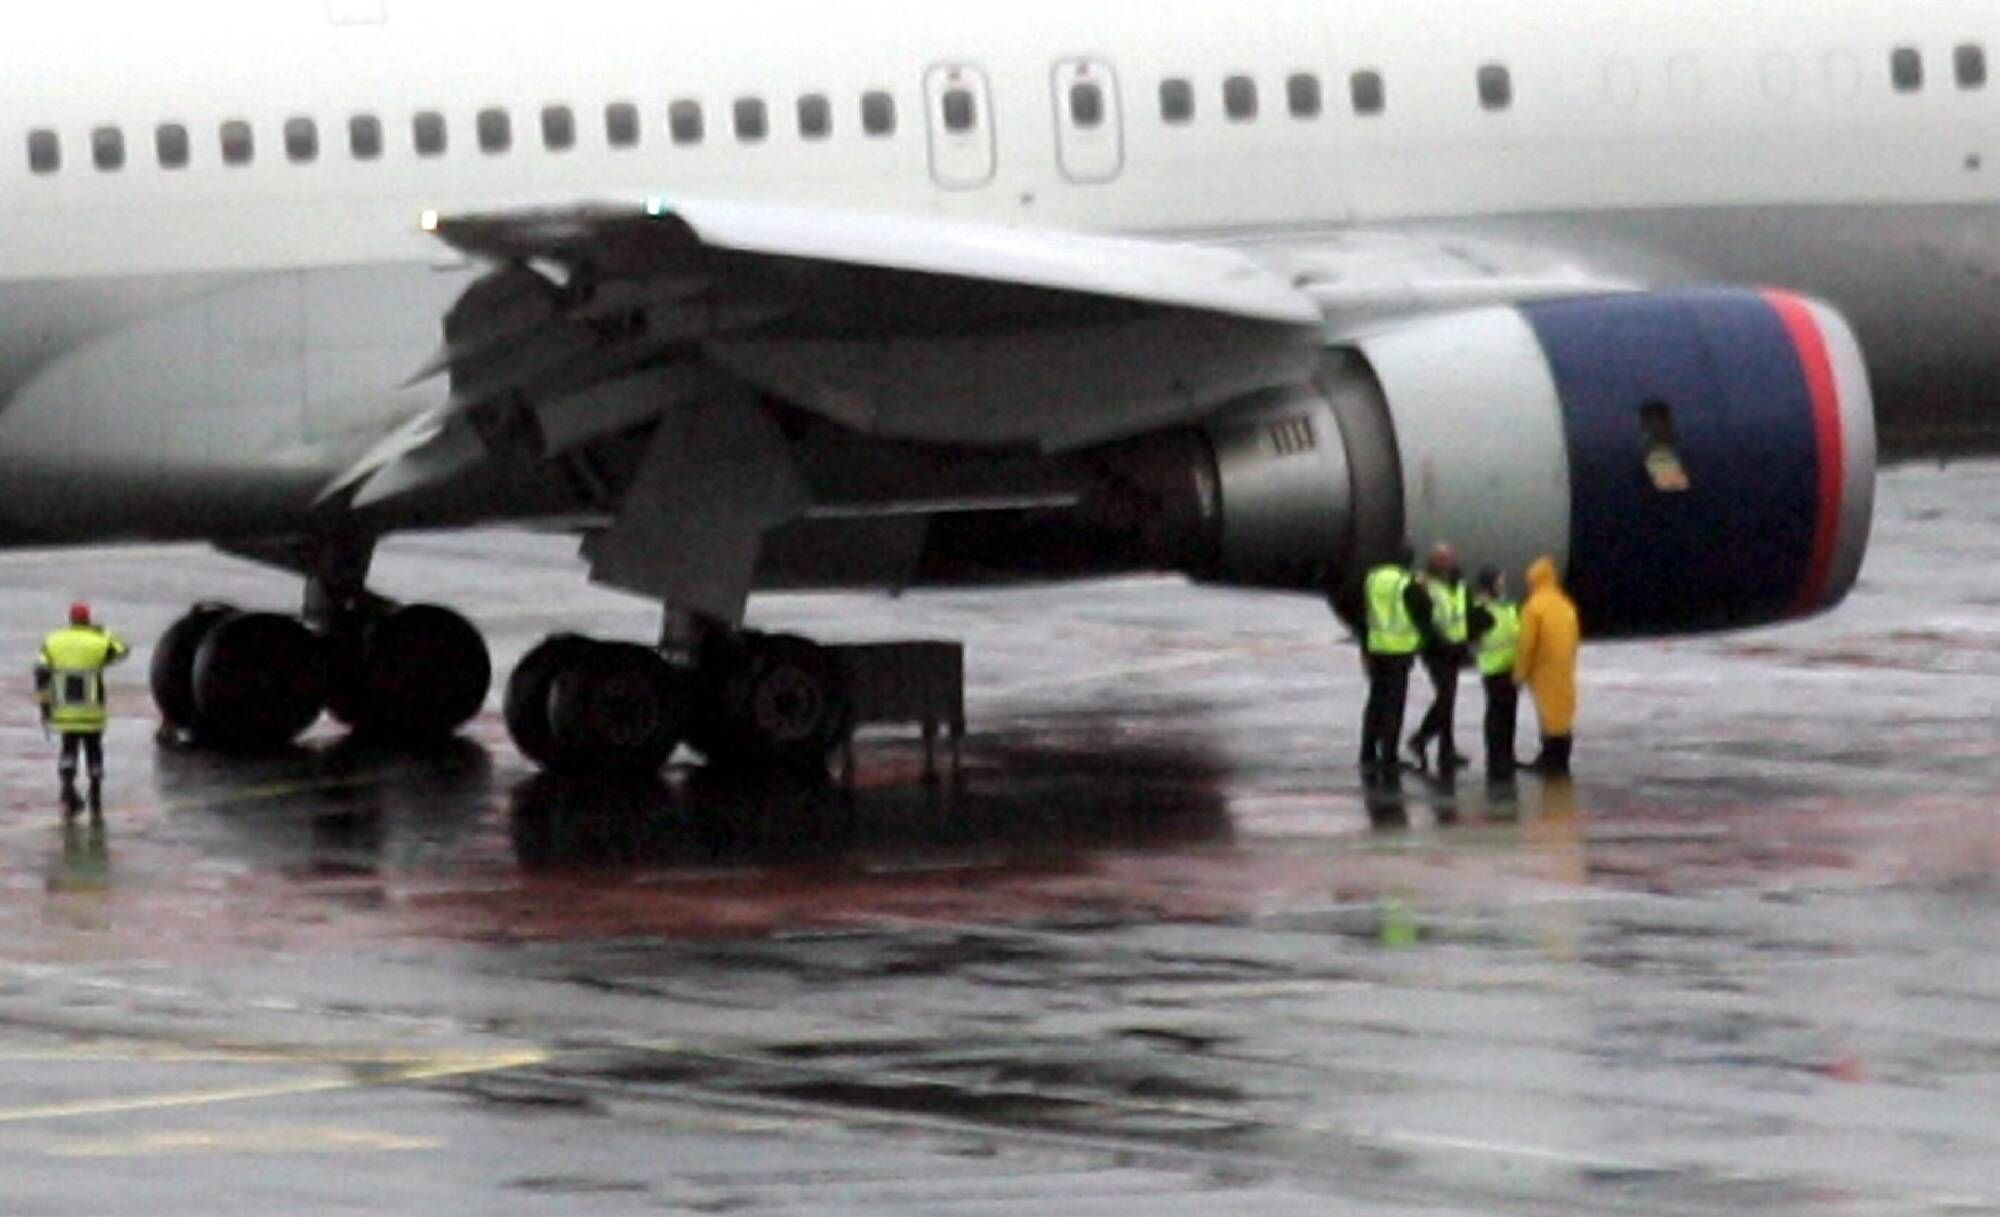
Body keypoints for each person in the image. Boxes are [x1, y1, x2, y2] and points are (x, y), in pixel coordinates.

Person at [36, 602, 129, 816]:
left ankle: (67, 789)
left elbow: (41, 672)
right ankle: (95, 791)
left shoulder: (53, 640)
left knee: (69, 748)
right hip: (92, 709)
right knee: (93, 748)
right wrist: (104, 632)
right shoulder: (99, 641)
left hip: (65, 710)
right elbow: (122, 650)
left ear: (70, 619)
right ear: (88, 619)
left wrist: (44, 706)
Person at [1358, 543, 1431, 777]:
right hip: (1398, 653)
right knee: (1394, 706)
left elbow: (1363, 611)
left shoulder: (1373, 578)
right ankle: (1388, 755)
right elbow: (1424, 613)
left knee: (1375, 702)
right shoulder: (1407, 584)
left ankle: (1367, 751)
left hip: (1376, 648)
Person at [1514, 557, 1580, 775]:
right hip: (1564, 668)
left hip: (1542, 670)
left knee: (1547, 715)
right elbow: (1574, 640)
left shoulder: (1533, 607)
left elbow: (1526, 644)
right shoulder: (1566, 605)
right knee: (1563, 712)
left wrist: (1520, 673)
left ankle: (1549, 760)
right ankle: (1561, 759)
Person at [1407, 543, 1469, 772]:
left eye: (1449, 558)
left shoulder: (1458, 584)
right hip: (1435, 649)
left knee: (1448, 698)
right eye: (1442, 559)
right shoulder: (1425, 585)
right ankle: (1421, 738)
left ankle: (1446, 749)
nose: (1447, 562)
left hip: (1454, 648)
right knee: (1445, 698)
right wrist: (1438, 641)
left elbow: (1463, 614)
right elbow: (1424, 618)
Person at [1468, 567, 1521, 782]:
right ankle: (1496, 755)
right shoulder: (1481, 608)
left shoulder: (1507, 605)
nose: (1502, 584)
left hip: (1511, 666)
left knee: (1509, 713)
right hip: (1493, 667)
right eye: (1499, 580)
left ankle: (1507, 753)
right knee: (1497, 714)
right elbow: (1473, 637)